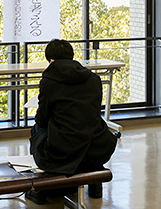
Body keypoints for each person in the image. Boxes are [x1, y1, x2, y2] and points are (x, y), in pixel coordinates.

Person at [26, 39, 118, 204]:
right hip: (96, 147)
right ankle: (94, 182)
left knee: (37, 128)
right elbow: (92, 112)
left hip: (63, 150)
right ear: (71, 56)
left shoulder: (49, 81)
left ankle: (44, 185)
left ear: (50, 59)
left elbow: (42, 119)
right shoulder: (93, 78)